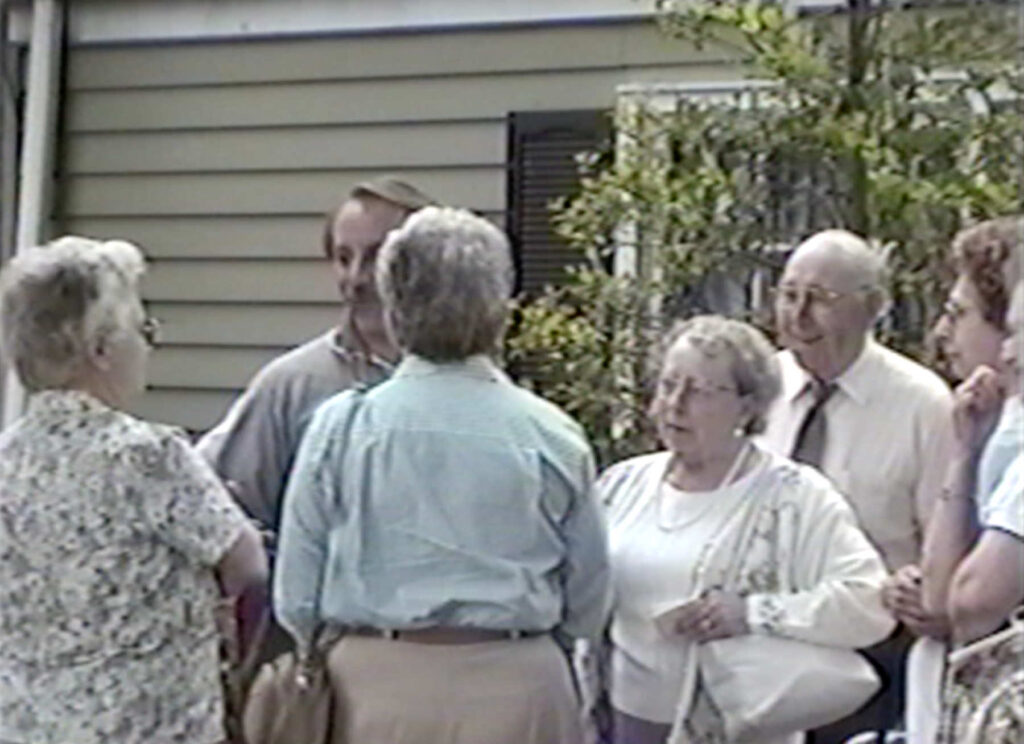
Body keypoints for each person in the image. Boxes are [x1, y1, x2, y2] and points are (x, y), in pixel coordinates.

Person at [274, 207, 610, 744]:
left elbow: (296, 595)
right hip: (518, 685)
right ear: (499, 307)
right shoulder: (552, 434)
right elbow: (589, 596)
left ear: (396, 305)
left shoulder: (342, 427)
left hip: (373, 688)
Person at [0, 237, 267, 744]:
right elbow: (247, 563)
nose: (148, 347)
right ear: (100, 350)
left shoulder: (5, 462)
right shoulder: (146, 455)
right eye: (143, 331)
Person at [592, 315, 894, 744]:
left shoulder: (793, 497)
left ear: (748, 406)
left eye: (698, 391)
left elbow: (868, 602)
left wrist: (752, 613)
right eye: (668, 384)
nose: (675, 404)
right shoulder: (621, 485)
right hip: (624, 723)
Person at [758, 229, 954, 743]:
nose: (797, 316)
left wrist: (916, 582)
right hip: (758, 643)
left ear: (872, 308)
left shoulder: (924, 405)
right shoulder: (760, 388)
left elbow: (943, 543)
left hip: (869, 654)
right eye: (788, 294)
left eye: (820, 300)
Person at [197, 176, 435, 531]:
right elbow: (222, 512)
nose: (356, 277)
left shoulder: (462, 381)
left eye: (376, 257)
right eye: (343, 258)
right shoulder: (292, 385)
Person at [910, 216, 1023, 744]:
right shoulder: (983, 425)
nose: (940, 332)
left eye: (959, 315)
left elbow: (959, 600)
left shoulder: (1010, 437)